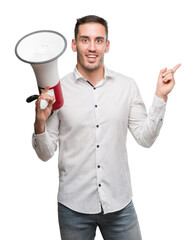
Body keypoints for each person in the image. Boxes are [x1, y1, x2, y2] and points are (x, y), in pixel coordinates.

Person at [32, 15, 181, 240]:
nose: (92, 47)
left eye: (98, 40)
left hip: (120, 205)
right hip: (73, 208)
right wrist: (40, 121)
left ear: (107, 45)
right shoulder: (57, 92)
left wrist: (160, 97)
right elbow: (45, 154)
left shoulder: (127, 86)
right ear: (74, 45)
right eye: (85, 40)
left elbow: (145, 138)